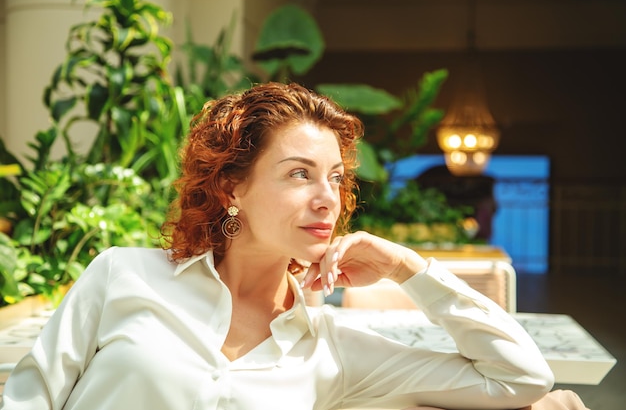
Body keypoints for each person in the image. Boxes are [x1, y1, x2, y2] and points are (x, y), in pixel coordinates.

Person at [1, 82, 587, 410]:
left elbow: (519, 378)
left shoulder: (331, 351)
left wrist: (406, 267)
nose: (328, 198)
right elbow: (29, 399)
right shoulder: (123, 276)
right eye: (299, 174)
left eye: (334, 177)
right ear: (232, 187)